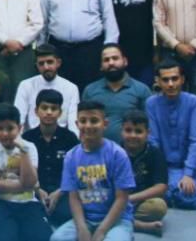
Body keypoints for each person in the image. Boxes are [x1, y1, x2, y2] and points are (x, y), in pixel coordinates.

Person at [51, 101, 135, 241]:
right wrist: (82, 228)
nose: (88, 126)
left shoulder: (117, 154)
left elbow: (122, 198)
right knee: (57, 238)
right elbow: (74, 197)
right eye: (83, 121)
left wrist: (101, 231)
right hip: (86, 219)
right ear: (77, 124)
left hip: (117, 220)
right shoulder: (71, 157)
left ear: (105, 124)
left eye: (94, 121)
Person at [40, 0, 119, 91]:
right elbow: (43, 22)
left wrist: (110, 49)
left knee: (89, 91)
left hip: (90, 51)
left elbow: (109, 18)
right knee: (60, 92)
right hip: (59, 50)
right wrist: (41, 51)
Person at [0, 104, 50, 241]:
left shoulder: (29, 147)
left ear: (19, 127)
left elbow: (30, 182)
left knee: (42, 237)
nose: (5, 133)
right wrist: (23, 186)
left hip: (28, 202)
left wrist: (23, 151)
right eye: (0, 128)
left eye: (10, 128)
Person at [145, 60, 196, 210]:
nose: (171, 84)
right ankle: (172, 190)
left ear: (182, 79)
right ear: (158, 81)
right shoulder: (151, 103)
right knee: (176, 192)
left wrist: (188, 174)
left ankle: (171, 192)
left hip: (189, 166)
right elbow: (153, 141)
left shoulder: (194, 102)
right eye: (165, 80)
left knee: (192, 199)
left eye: (175, 79)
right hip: (165, 167)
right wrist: (161, 172)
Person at [22, 89, 79, 228]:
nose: (49, 112)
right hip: (33, 193)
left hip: (63, 192)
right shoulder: (26, 139)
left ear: (60, 112)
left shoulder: (70, 138)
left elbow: (76, 171)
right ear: (36, 111)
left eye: (53, 108)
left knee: (67, 216)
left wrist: (59, 192)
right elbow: (21, 171)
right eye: (44, 108)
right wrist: (37, 190)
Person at [83, 44, 153, 145]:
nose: (111, 63)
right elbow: (84, 124)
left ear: (125, 61)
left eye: (115, 58)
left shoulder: (141, 90)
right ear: (101, 66)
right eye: (106, 60)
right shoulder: (90, 91)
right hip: (98, 149)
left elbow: (149, 125)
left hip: (133, 150)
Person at [107, 0, 156, 86]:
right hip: (116, 55)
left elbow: (159, 21)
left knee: (144, 92)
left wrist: (158, 52)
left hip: (145, 56)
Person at [119, 111, 168, 237]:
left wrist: (129, 199)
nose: (133, 135)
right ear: (121, 131)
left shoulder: (155, 153)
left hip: (139, 201)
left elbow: (161, 187)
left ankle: (117, 220)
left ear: (148, 133)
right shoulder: (113, 152)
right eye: (128, 130)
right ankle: (141, 226)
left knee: (158, 207)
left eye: (138, 131)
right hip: (115, 201)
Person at [15, 45, 79, 131]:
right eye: (41, 63)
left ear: (58, 63)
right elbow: (19, 119)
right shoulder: (25, 86)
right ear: (37, 65)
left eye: (50, 62)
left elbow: (73, 124)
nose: (46, 67)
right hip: (32, 136)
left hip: (62, 136)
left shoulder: (71, 88)